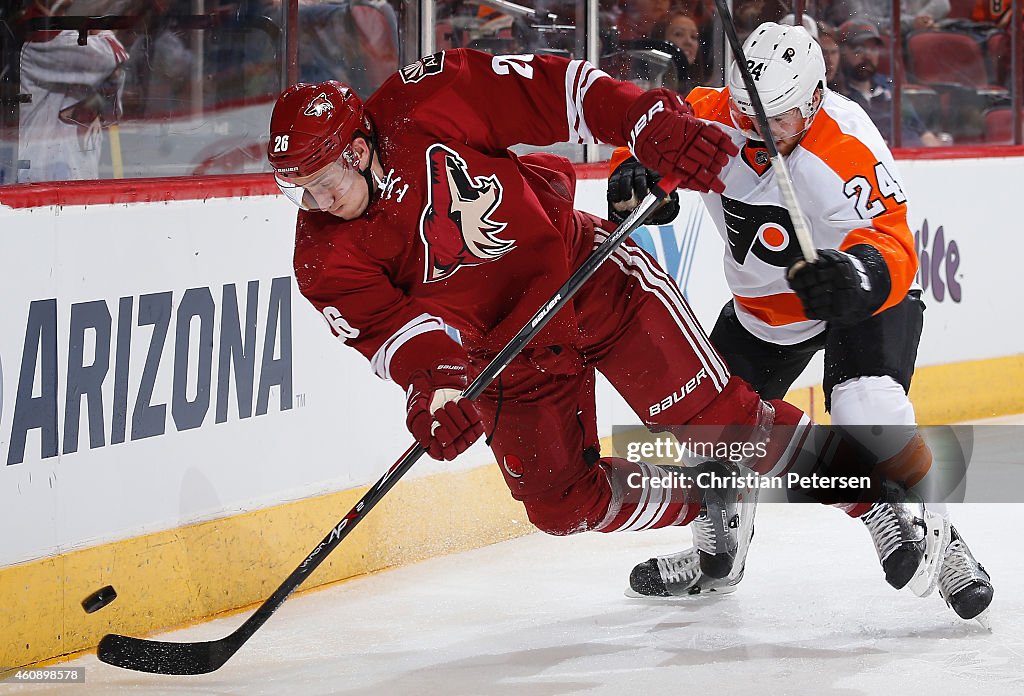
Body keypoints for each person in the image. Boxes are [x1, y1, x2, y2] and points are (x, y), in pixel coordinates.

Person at [266, 48, 941, 598]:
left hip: (591, 280)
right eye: (299, 189)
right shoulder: (322, 255)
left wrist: (641, 120)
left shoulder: (427, 99)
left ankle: (868, 495)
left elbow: (553, 89)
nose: (316, 201)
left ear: (356, 148)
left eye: (321, 180)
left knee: (725, 425)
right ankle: (702, 499)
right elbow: (392, 334)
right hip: (502, 352)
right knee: (560, 504)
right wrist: (434, 388)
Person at [607, 22, 993, 622]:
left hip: (858, 302)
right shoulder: (710, 117)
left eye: (780, 118)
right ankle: (720, 555)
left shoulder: (845, 144)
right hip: (763, 310)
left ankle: (936, 539)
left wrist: (854, 276)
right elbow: (639, 129)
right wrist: (634, 172)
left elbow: (894, 244)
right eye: (748, 112)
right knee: (708, 426)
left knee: (868, 407)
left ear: (814, 98)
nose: (760, 131)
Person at [17, 0, 129, 182]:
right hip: (44, 180)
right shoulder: (39, 32)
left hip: (79, 171)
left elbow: (112, 108)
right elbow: (112, 57)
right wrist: (100, 29)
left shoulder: (76, 31)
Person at [836, 20, 942, 147]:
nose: (867, 56)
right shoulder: (837, 95)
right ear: (841, 52)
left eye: (873, 49)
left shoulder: (889, 86)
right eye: (858, 49)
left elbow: (923, 133)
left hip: (913, 156)